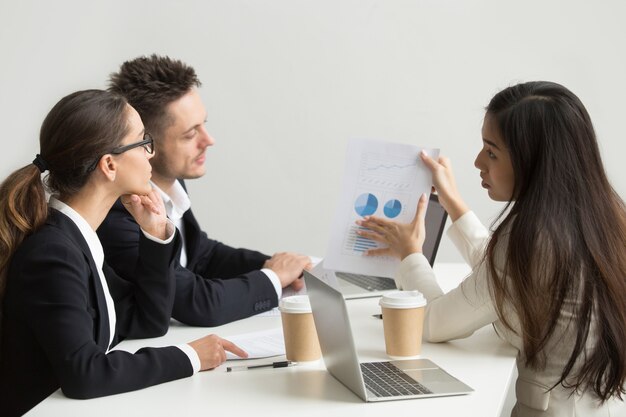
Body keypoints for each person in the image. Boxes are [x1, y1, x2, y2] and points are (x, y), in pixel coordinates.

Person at [357, 81, 626, 416]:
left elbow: (432, 324)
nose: (477, 162)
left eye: (492, 152)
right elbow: (506, 275)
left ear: (532, 162)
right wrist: (454, 205)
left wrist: (410, 254)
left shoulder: (530, 238)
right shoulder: (605, 218)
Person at [0, 90, 246, 417]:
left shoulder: (78, 241)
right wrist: (190, 356)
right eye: (143, 141)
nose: (150, 154)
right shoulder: (53, 255)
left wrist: (155, 236)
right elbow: (85, 374)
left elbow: (148, 320)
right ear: (109, 164)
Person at [98, 54, 311, 327]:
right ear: (144, 143)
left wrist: (280, 265)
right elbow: (197, 303)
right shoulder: (117, 213)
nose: (209, 141)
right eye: (190, 134)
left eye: (204, 126)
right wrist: (273, 277)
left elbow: (201, 255)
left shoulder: (171, 182)